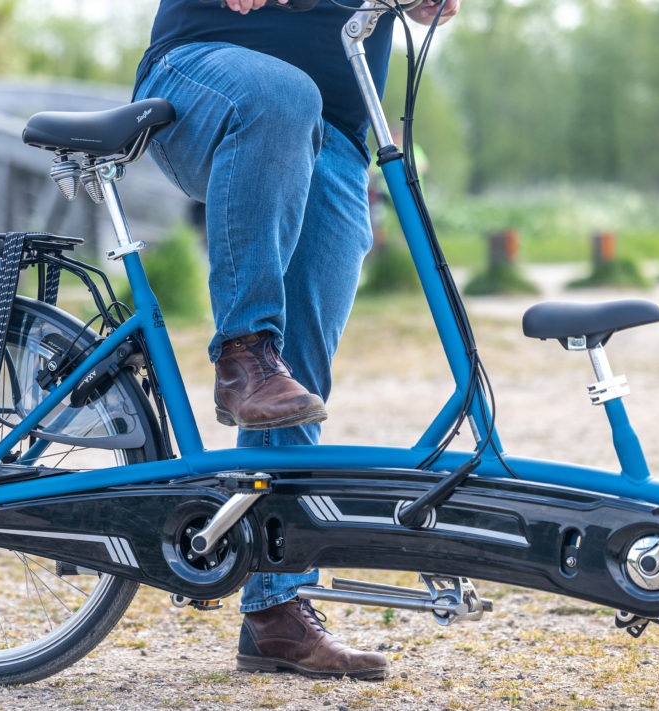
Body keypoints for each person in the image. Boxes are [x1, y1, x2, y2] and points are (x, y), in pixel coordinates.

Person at [133, 0, 461, 680]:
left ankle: (277, 607)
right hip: (201, 80)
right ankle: (241, 350)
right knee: (281, 94)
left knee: (297, 380)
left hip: (338, 131)